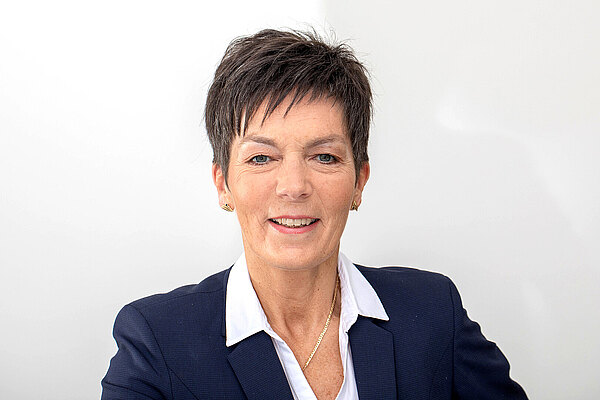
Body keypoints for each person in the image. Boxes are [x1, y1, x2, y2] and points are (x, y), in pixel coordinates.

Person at [101, 29, 528, 400]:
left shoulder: (433, 312)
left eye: (324, 157)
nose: (293, 186)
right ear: (223, 184)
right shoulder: (156, 341)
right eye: (261, 158)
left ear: (359, 182)